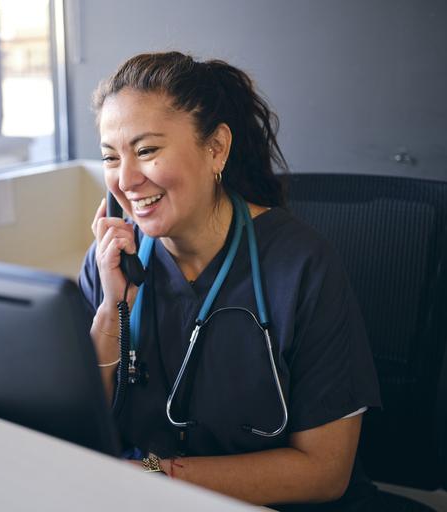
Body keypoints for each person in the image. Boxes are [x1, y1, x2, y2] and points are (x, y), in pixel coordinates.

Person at [78, 51, 382, 510]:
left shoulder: (300, 265)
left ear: (216, 147)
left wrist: (156, 474)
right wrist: (110, 314)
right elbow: (78, 435)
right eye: (109, 157)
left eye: (146, 150)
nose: (126, 179)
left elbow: (325, 471)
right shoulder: (111, 263)